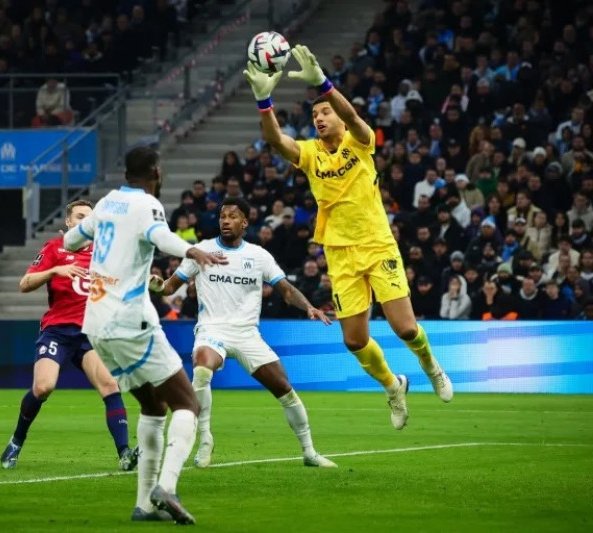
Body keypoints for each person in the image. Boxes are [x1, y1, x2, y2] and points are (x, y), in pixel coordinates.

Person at [243, 45, 453, 431]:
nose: (319, 117)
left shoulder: (361, 142)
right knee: (355, 341)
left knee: (405, 328)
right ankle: (393, 386)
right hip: (339, 255)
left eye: (325, 112)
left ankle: (432, 367)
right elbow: (276, 140)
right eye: (314, 114)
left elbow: (354, 116)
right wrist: (263, 99)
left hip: (377, 245)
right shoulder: (308, 154)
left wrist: (323, 85)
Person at [62, 146, 227, 524]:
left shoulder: (106, 202)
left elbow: (72, 242)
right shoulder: (146, 204)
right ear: (154, 171)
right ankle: (166, 486)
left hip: (97, 324)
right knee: (188, 403)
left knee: (154, 406)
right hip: (131, 321)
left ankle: (144, 505)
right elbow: (160, 236)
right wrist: (193, 251)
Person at [152, 197, 335, 469]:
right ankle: (205, 440)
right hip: (212, 329)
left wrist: (308, 306)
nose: (226, 220)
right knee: (202, 369)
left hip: (248, 334)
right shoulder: (201, 250)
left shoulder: (258, 256)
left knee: (285, 390)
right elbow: (170, 287)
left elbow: (285, 289)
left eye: (233, 216)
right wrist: (157, 285)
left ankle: (309, 452)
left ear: (245, 222)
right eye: (223, 216)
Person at [0, 200, 138, 472]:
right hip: (58, 332)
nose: (86, 221)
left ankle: (124, 453)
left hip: (90, 335)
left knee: (110, 386)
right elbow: (24, 284)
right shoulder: (54, 249)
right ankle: (17, 440)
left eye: (90, 217)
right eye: (80, 216)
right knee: (43, 387)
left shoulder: (103, 254)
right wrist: (54, 271)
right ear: (68, 222)